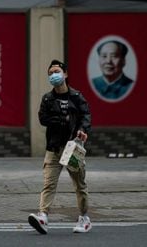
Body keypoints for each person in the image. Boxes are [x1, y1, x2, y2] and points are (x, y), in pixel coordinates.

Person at [28, 59, 92, 234]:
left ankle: (84, 218)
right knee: (48, 184)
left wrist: (82, 129)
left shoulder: (77, 97)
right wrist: (60, 120)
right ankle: (43, 216)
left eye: (56, 72)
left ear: (65, 74)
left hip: (73, 148)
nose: (53, 76)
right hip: (54, 148)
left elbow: (86, 115)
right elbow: (43, 118)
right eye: (50, 73)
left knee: (80, 185)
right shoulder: (48, 99)